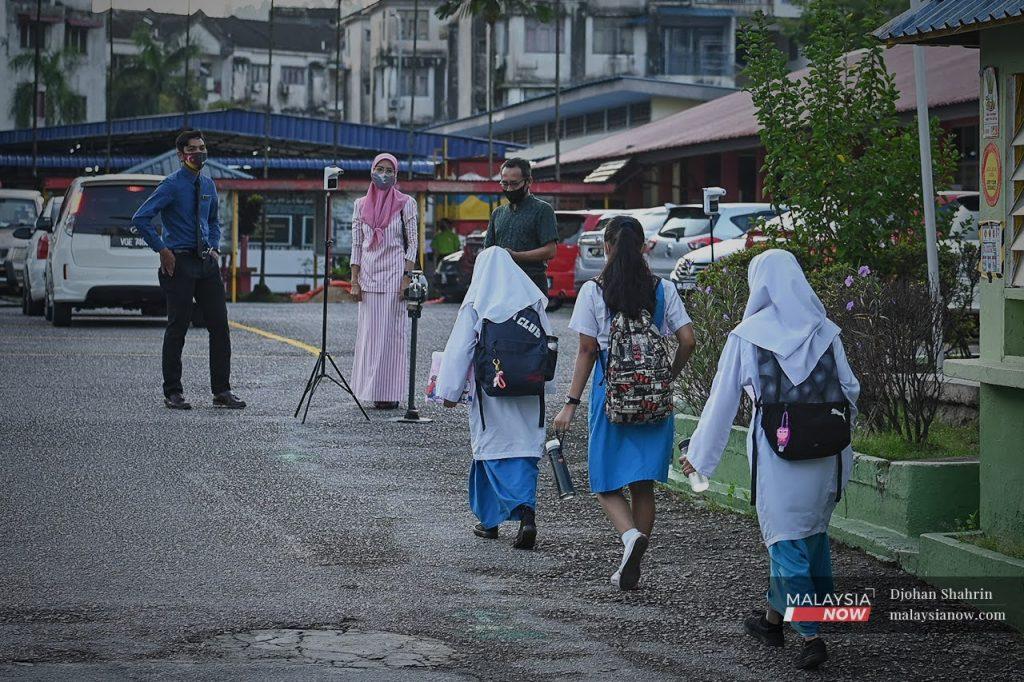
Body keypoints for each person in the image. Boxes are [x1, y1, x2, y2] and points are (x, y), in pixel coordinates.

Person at [680, 249, 860, 671]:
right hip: (827, 453)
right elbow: (850, 390)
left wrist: (700, 458)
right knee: (810, 534)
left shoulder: (748, 336)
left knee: (784, 540)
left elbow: (722, 400)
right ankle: (771, 621)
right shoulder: (826, 331)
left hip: (779, 455)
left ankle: (812, 634)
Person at [553, 216, 696, 590]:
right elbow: (688, 340)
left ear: (607, 246)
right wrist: (666, 378)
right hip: (653, 399)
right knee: (643, 485)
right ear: (645, 246)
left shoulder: (594, 291)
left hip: (611, 396)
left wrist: (571, 403)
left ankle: (629, 537)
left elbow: (587, 350)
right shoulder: (662, 288)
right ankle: (635, 561)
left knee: (604, 483)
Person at [436, 247, 551, 550]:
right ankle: (526, 514)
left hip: (492, 395)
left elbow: (460, 349)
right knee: (523, 452)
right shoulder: (533, 300)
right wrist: (543, 386)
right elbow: (547, 349)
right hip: (528, 395)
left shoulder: (478, 301)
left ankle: (490, 521)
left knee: (490, 452)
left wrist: (447, 392)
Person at [131, 129, 245, 411]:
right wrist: (162, 249)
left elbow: (215, 220)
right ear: (182, 155)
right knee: (177, 328)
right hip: (179, 264)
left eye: (202, 147)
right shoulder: (171, 185)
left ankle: (222, 390)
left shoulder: (208, 185)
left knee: (219, 327)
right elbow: (141, 218)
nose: (199, 152)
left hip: (206, 264)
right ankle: (173, 392)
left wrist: (215, 247)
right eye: (193, 149)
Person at [349, 153, 419, 410]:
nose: (384, 174)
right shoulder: (360, 204)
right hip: (368, 278)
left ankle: (389, 392)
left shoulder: (406, 203)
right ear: (371, 171)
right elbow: (357, 244)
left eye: (390, 170)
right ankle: (368, 389)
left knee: (392, 337)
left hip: (394, 277)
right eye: (380, 168)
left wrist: (406, 278)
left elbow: (412, 244)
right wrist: (354, 280)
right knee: (369, 336)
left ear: (396, 175)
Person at [484, 158, 559, 293]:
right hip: (501, 286)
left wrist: (515, 255)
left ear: (528, 181)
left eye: (514, 184)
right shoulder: (498, 213)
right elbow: (488, 251)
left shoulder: (542, 210)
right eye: (504, 184)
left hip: (531, 286)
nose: (509, 189)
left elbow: (550, 250)